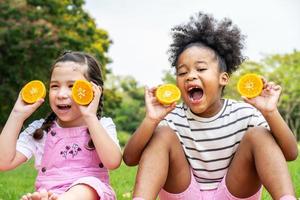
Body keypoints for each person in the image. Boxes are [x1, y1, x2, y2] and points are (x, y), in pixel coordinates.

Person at [123, 12, 298, 200]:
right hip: (185, 194)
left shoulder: (245, 114)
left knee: (259, 135)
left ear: (223, 78)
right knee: (162, 134)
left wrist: (270, 112)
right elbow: (130, 158)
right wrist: (151, 120)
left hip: (234, 193)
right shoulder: (171, 117)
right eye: (182, 72)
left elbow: (290, 153)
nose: (190, 76)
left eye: (201, 69)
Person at [0, 51, 122, 200]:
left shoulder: (102, 125)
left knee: (85, 187)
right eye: (55, 86)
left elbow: (113, 162)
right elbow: (3, 162)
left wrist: (90, 116)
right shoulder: (41, 129)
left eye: (72, 86)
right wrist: (17, 114)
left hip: (91, 193)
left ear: (93, 91)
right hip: (50, 194)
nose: (61, 94)